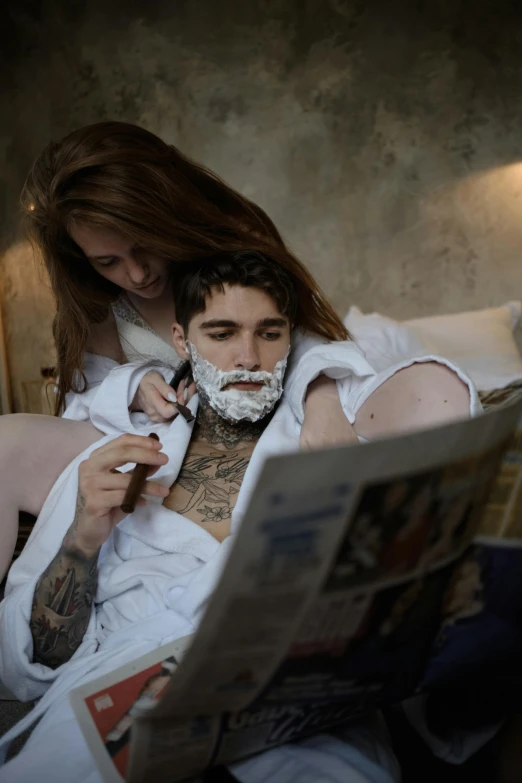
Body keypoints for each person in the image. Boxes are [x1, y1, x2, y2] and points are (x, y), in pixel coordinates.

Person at [0, 251, 478, 783]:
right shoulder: (122, 453)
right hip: (125, 694)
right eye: (222, 334)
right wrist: (82, 541)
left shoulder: (326, 446)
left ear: (291, 339)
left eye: (269, 334)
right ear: (183, 341)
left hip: (292, 707)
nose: (248, 357)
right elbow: (39, 657)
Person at [0, 120, 363, 581]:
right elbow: (84, 404)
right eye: (107, 261)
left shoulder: (233, 243)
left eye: (143, 246)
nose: (135, 275)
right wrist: (130, 386)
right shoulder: (95, 302)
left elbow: (295, 333)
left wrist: (322, 399)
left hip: (247, 426)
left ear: (167, 213)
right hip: (154, 443)